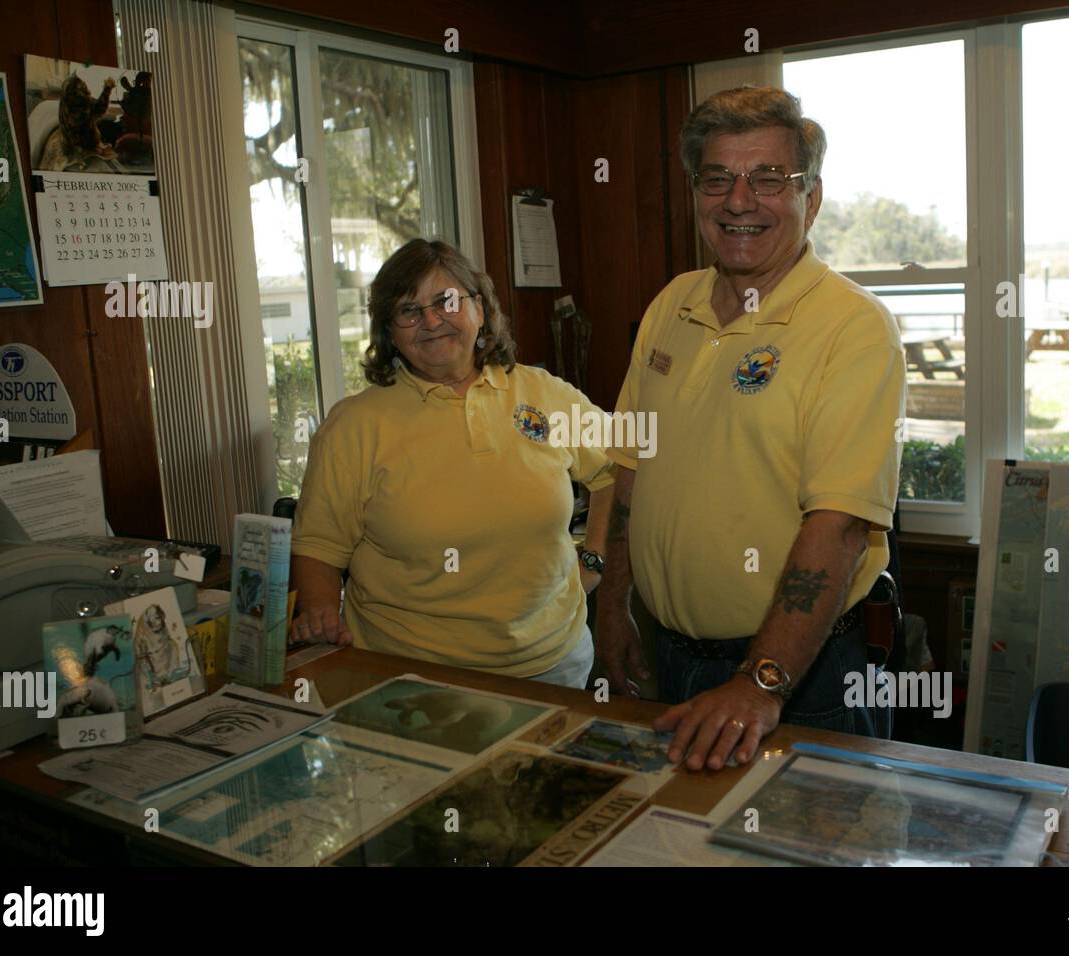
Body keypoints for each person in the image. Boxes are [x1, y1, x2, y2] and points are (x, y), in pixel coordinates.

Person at [595, 86, 907, 770]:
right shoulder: (669, 305)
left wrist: (760, 682)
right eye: (718, 179)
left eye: (769, 178)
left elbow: (843, 524)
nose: (740, 201)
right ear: (696, 193)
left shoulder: (854, 328)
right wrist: (612, 605)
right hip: (667, 657)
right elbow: (630, 467)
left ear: (812, 197)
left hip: (801, 677)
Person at [290, 239, 614, 688]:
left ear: (479, 310)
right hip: (409, 680)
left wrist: (594, 561)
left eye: (446, 301)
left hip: (553, 665)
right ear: (390, 330)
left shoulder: (544, 394)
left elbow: (617, 470)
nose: (431, 321)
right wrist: (321, 612)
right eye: (409, 310)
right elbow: (319, 548)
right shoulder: (354, 425)